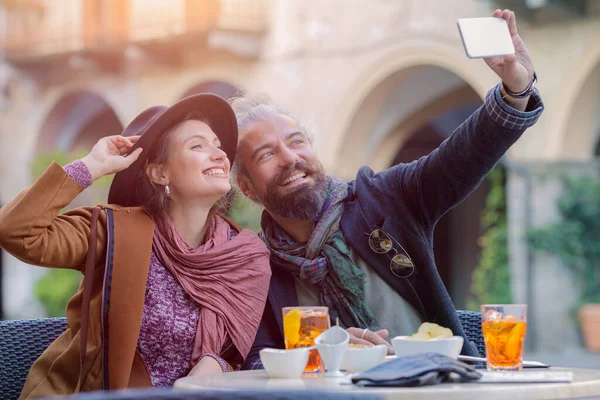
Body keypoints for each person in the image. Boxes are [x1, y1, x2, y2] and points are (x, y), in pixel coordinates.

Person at [230, 9, 544, 369]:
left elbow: (465, 155)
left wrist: (515, 89)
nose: (289, 158)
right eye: (267, 153)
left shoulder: (385, 198)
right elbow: (255, 361)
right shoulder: (257, 267)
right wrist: (324, 349)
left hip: (436, 390)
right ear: (247, 188)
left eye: (296, 141)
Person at [0, 94, 271, 398]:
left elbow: (238, 355)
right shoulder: (113, 229)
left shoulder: (243, 256)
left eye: (217, 145)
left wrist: (218, 366)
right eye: (198, 146)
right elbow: (15, 230)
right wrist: (91, 166)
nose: (220, 155)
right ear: (159, 173)